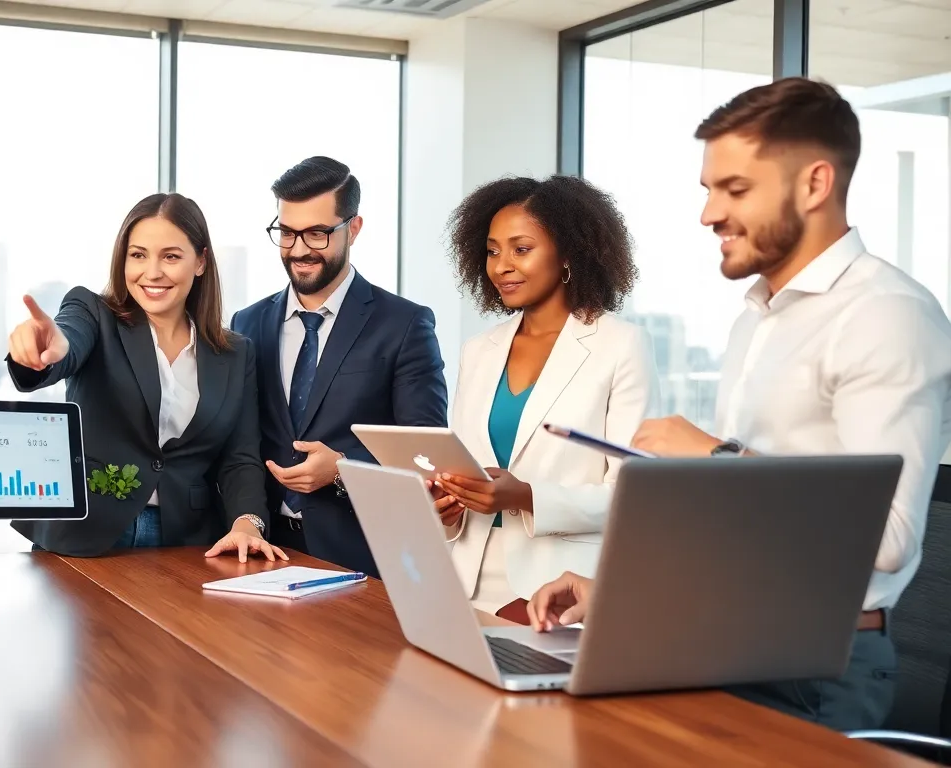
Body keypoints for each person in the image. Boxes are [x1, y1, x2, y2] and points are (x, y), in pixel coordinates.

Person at [533, 78, 951, 733]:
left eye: (735, 189)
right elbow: (744, 522)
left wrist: (714, 453)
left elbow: (888, 536)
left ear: (814, 184)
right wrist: (625, 598)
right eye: (708, 190)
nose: (708, 214)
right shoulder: (758, 319)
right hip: (730, 642)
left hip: (816, 673)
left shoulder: (886, 316)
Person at [6, 192, 283, 563]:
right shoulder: (93, 313)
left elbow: (240, 458)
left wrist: (247, 523)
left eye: (170, 256)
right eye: (138, 255)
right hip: (85, 535)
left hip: (186, 542)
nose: (152, 272)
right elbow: (68, 341)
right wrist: (49, 350)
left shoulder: (236, 353)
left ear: (200, 261)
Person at [430, 175, 657, 625]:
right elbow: (469, 466)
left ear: (569, 253)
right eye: (493, 251)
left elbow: (637, 495)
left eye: (521, 249)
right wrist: (448, 502)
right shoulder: (478, 351)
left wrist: (528, 496)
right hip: (462, 583)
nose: (501, 266)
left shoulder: (621, 345)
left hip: (554, 590)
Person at [230, 156, 449, 576]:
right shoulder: (247, 323)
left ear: (353, 228)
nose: (298, 250)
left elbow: (425, 456)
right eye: (287, 233)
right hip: (264, 554)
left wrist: (343, 471)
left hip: (363, 557)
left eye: (316, 234)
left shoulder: (404, 324)